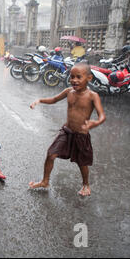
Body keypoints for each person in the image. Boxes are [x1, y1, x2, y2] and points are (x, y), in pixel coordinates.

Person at [28, 63, 106, 196]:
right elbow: (54, 99)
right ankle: (45, 181)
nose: (74, 80)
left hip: (81, 134)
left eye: (78, 77)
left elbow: (102, 116)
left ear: (89, 78)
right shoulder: (68, 92)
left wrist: (95, 123)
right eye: (72, 77)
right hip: (67, 131)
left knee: (82, 163)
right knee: (51, 154)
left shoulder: (93, 96)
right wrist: (40, 100)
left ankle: (86, 185)